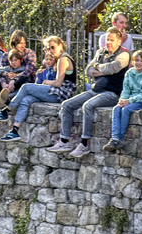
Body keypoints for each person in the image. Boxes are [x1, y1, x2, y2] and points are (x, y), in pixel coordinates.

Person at [51, 28, 128, 158]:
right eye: (107, 40)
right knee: (67, 105)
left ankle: (84, 143)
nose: (108, 42)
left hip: (112, 93)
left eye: (112, 40)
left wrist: (98, 67)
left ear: (119, 41)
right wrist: (103, 69)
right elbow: (88, 70)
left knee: (87, 106)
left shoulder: (124, 54)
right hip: (95, 90)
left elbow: (113, 68)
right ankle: (64, 141)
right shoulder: (101, 53)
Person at [1, 37, 76, 142]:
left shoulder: (63, 59)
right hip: (55, 92)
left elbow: (58, 83)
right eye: (48, 49)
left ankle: (6, 110)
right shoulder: (59, 60)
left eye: (53, 47)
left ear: (60, 45)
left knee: (26, 87)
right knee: (26, 99)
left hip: (60, 93)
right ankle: (15, 130)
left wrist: (46, 82)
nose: (51, 51)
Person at [105, 50, 142, 152]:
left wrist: (129, 101)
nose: (138, 63)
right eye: (136, 60)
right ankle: (114, 138)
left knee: (126, 110)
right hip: (130, 100)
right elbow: (126, 89)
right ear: (132, 62)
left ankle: (119, 140)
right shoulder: (129, 73)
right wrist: (123, 100)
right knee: (117, 108)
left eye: (141, 61)